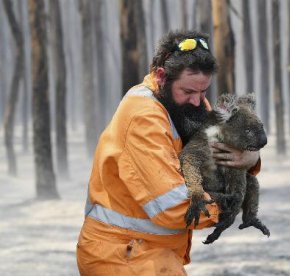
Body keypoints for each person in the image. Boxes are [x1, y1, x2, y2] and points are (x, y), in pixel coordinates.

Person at [76, 30, 261, 275]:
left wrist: (251, 158)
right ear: (162, 76)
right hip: (122, 255)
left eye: (203, 92)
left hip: (150, 252)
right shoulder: (143, 117)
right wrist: (228, 204)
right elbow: (172, 206)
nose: (199, 101)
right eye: (188, 92)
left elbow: (223, 149)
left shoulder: (187, 105)